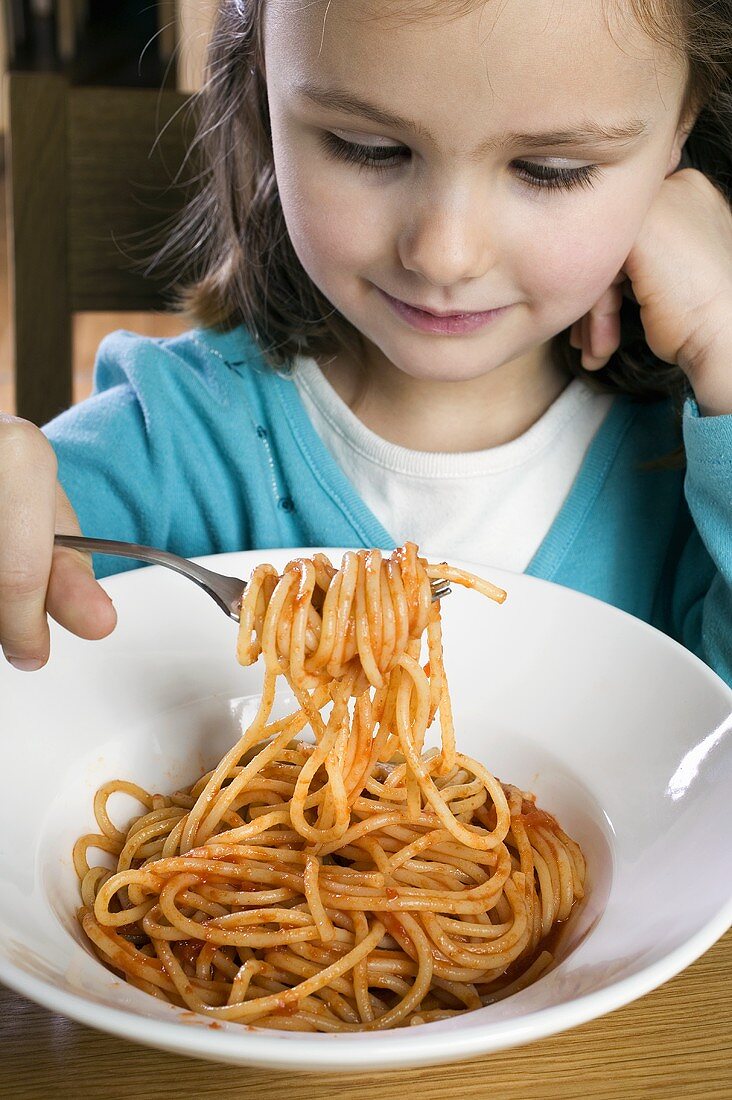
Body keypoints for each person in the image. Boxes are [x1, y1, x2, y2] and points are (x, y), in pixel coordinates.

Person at [1, 0, 730, 684]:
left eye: (552, 170)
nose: (445, 254)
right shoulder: (169, 443)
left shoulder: (693, 463)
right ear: (260, 91)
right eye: (369, 148)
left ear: (680, 127)